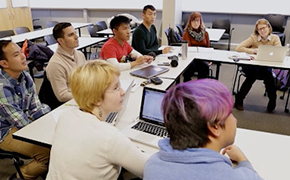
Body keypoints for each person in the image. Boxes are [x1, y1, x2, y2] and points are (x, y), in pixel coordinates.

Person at [46, 60, 149, 180]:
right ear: (96, 99)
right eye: (116, 88)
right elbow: (150, 169)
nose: (122, 92)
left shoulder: (66, 116)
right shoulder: (109, 137)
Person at [144, 79, 263, 180]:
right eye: (230, 113)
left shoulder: (152, 164)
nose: (235, 119)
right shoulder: (231, 177)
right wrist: (243, 161)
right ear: (215, 126)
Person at [0, 40, 51, 180]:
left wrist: (52, 119)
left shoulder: (25, 76)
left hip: (22, 121)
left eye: (21, 52)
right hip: (4, 131)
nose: (23, 56)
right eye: (17, 55)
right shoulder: (1, 87)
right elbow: (20, 122)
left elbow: (36, 108)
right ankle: (19, 177)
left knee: (57, 141)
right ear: (4, 63)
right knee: (48, 154)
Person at [235, 18, 281, 112]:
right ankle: (239, 100)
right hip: (251, 65)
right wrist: (253, 51)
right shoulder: (254, 38)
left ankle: (272, 100)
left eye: (264, 28)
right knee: (253, 74)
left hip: (264, 65)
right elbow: (239, 48)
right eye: (259, 29)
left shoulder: (275, 38)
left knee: (269, 77)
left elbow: (279, 52)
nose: (262, 31)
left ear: (269, 27)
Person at [45, 22, 86, 104]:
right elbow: (62, 96)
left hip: (83, 99)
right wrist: (86, 96)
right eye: (71, 35)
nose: (76, 37)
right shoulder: (55, 64)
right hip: (70, 104)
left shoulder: (80, 55)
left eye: (75, 33)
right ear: (60, 41)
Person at [182, 12, 211, 81]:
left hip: (202, 58)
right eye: (193, 21)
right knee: (189, 67)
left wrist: (209, 59)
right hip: (191, 58)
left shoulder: (205, 33)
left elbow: (208, 47)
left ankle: (199, 85)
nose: (195, 23)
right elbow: (187, 48)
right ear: (190, 22)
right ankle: (187, 86)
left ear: (200, 22)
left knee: (205, 66)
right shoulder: (187, 33)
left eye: (197, 20)